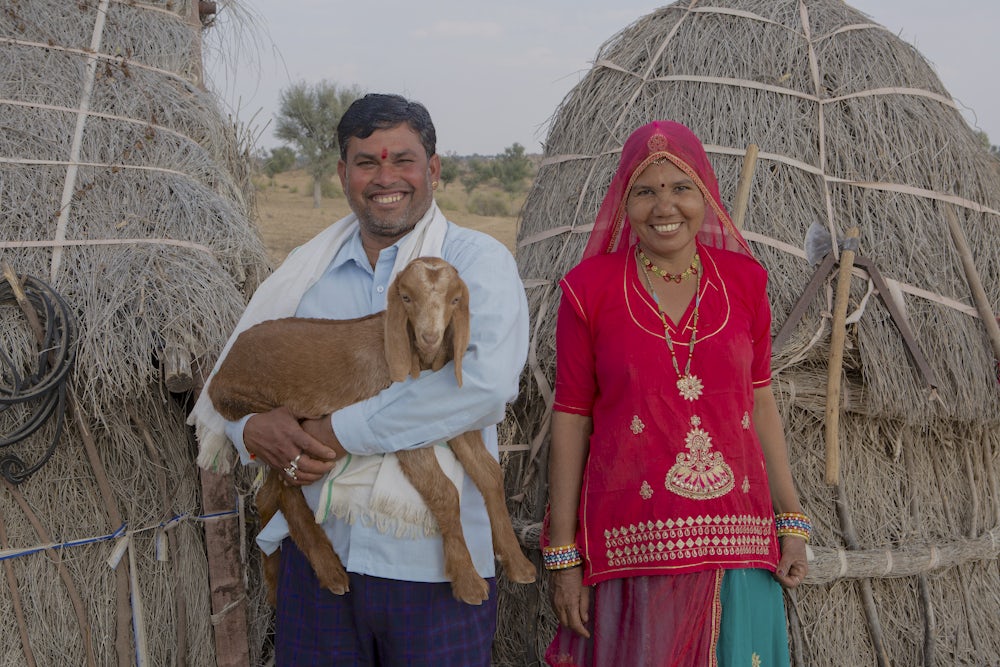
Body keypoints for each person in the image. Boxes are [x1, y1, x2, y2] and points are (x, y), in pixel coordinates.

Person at [190, 93, 529, 665]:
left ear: (434, 170)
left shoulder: (477, 262)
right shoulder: (305, 275)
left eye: (403, 159)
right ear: (343, 174)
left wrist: (333, 430)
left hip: (434, 569)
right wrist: (250, 429)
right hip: (320, 562)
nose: (385, 177)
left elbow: (483, 387)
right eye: (367, 162)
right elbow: (248, 382)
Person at [543, 120, 809, 666]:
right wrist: (565, 555)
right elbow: (570, 417)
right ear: (624, 201)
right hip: (632, 548)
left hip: (740, 541)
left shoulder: (745, 281)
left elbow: (760, 402)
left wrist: (792, 521)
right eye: (645, 191)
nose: (664, 206)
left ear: (704, 195)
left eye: (680, 188)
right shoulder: (588, 289)